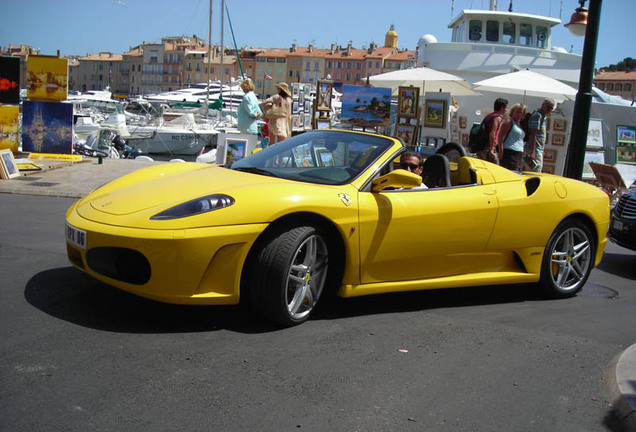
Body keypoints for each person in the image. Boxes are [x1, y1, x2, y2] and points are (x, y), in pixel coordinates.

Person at [523, 98, 555, 172]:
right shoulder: (537, 115)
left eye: (551, 108)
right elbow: (533, 134)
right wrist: (533, 152)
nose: (549, 109)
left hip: (539, 149)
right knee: (535, 173)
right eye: (548, 107)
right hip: (534, 150)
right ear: (543, 105)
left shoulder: (543, 117)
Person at [476, 97, 507, 164]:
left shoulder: (489, 116)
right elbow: (492, 133)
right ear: (502, 108)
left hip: (481, 146)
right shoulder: (497, 118)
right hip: (488, 148)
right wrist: (492, 149)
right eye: (505, 108)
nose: (506, 110)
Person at [497, 103, 526, 171]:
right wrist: (501, 151)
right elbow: (500, 136)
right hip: (510, 152)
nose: (519, 114)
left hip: (518, 153)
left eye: (521, 113)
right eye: (517, 112)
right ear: (513, 112)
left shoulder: (518, 124)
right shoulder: (509, 121)